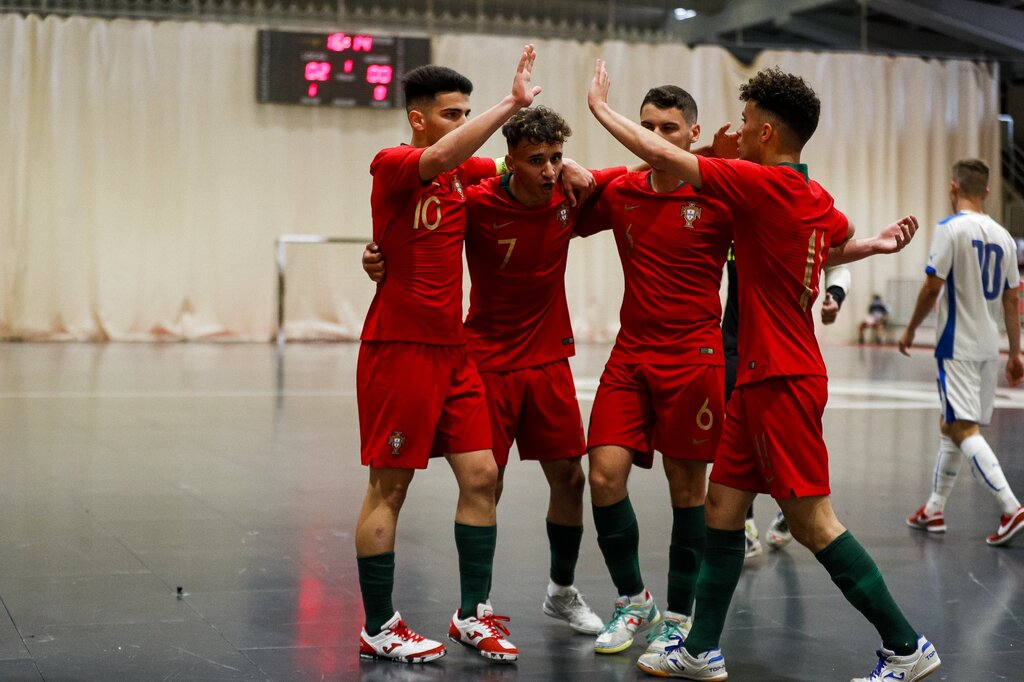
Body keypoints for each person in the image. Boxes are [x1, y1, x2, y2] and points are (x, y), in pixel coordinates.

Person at [586, 61, 940, 681]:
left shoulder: (759, 183)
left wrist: (599, 108)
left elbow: (659, 155)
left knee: (813, 523)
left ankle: (907, 647)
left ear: (768, 133)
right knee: (723, 510)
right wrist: (872, 246)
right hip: (755, 378)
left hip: (782, 378)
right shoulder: (810, 194)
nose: (739, 131)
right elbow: (830, 237)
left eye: (747, 121)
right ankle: (700, 650)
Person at [363, 105, 625, 639]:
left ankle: (561, 591)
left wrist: (585, 168)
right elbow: (416, 235)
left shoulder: (569, 196)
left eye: (556, 158)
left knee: (570, 478)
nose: (549, 170)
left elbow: (643, 174)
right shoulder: (475, 200)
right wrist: (377, 256)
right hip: (485, 357)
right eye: (537, 160)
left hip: (549, 358)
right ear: (511, 160)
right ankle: (475, 607)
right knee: (486, 480)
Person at [355, 48, 541, 665]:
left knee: (483, 475)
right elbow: (440, 158)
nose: (461, 124)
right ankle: (379, 626)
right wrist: (511, 102)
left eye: (466, 113)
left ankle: (472, 615)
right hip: (399, 349)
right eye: (451, 114)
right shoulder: (393, 163)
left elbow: (522, 163)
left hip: (454, 351)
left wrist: (577, 170)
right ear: (418, 119)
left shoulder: (466, 172)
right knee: (390, 487)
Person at [573, 85, 735, 658]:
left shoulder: (721, 193)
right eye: (648, 126)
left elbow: (795, 227)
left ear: (693, 133)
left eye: (669, 128)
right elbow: (556, 215)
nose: (656, 137)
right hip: (631, 355)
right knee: (603, 476)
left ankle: (679, 617)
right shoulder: (622, 192)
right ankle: (633, 600)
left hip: (694, 358)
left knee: (687, 490)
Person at [900, 158, 1024, 547]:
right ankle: (934, 508)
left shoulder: (950, 229)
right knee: (951, 424)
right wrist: (1016, 353)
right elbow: (1012, 299)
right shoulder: (1004, 237)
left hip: (956, 345)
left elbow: (931, 288)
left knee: (962, 428)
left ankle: (1011, 507)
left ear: (953, 187)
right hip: (988, 347)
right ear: (986, 191)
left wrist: (911, 329)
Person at [731, 264, 851, 558]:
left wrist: (835, 294)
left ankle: (791, 506)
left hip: (785, 354)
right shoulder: (737, 230)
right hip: (736, 343)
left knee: (788, 446)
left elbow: (837, 255)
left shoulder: (799, 233)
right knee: (732, 457)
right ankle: (745, 524)